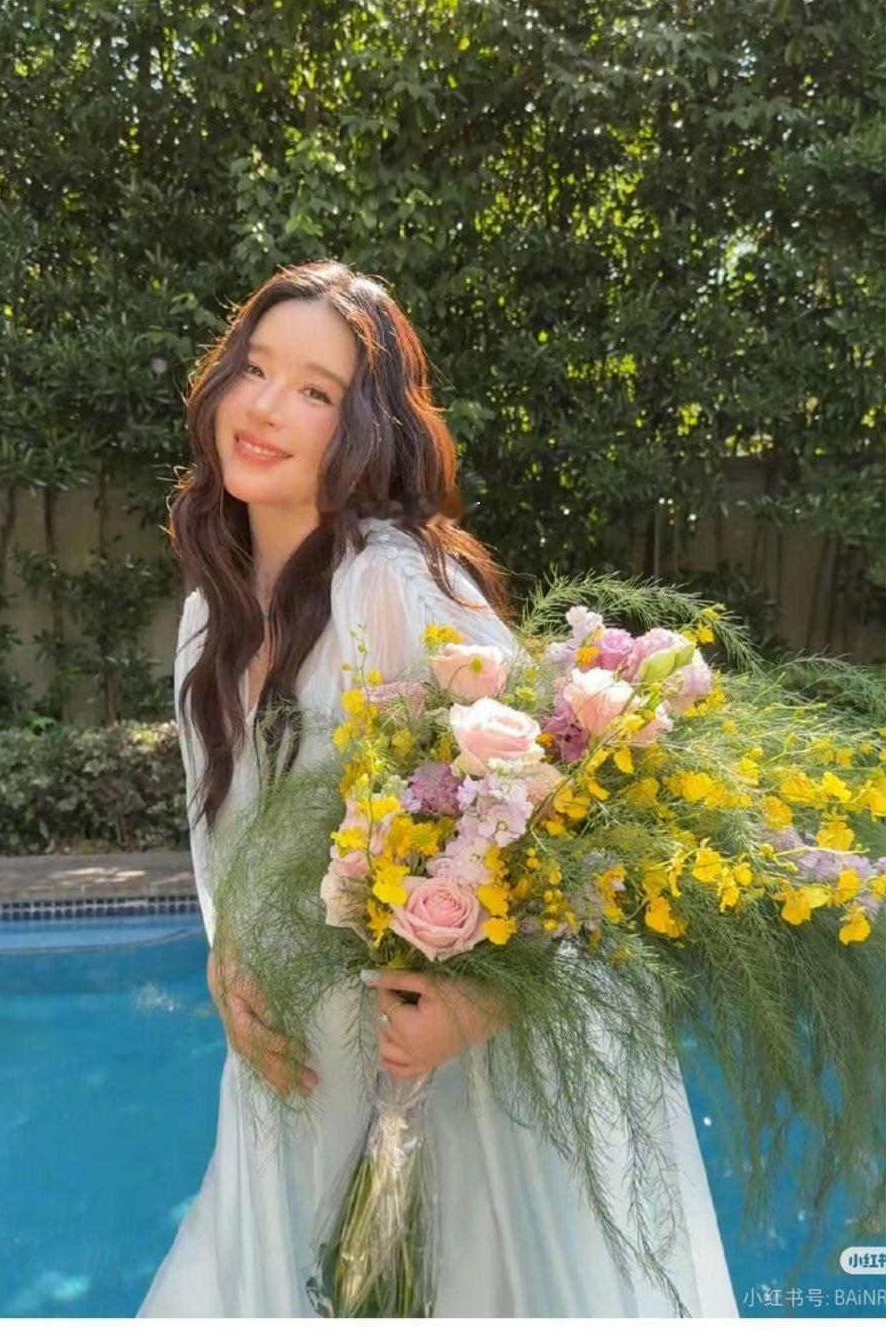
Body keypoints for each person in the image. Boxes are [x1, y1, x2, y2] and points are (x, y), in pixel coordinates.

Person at [137, 259, 739, 1316]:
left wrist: (484, 998)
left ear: (364, 429)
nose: (265, 408)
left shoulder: (393, 582)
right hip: (291, 1070)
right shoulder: (210, 612)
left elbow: (572, 821)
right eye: (255, 369)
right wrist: (226, 959)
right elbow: (229, 846)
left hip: (434, 1079)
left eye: (315, 391)